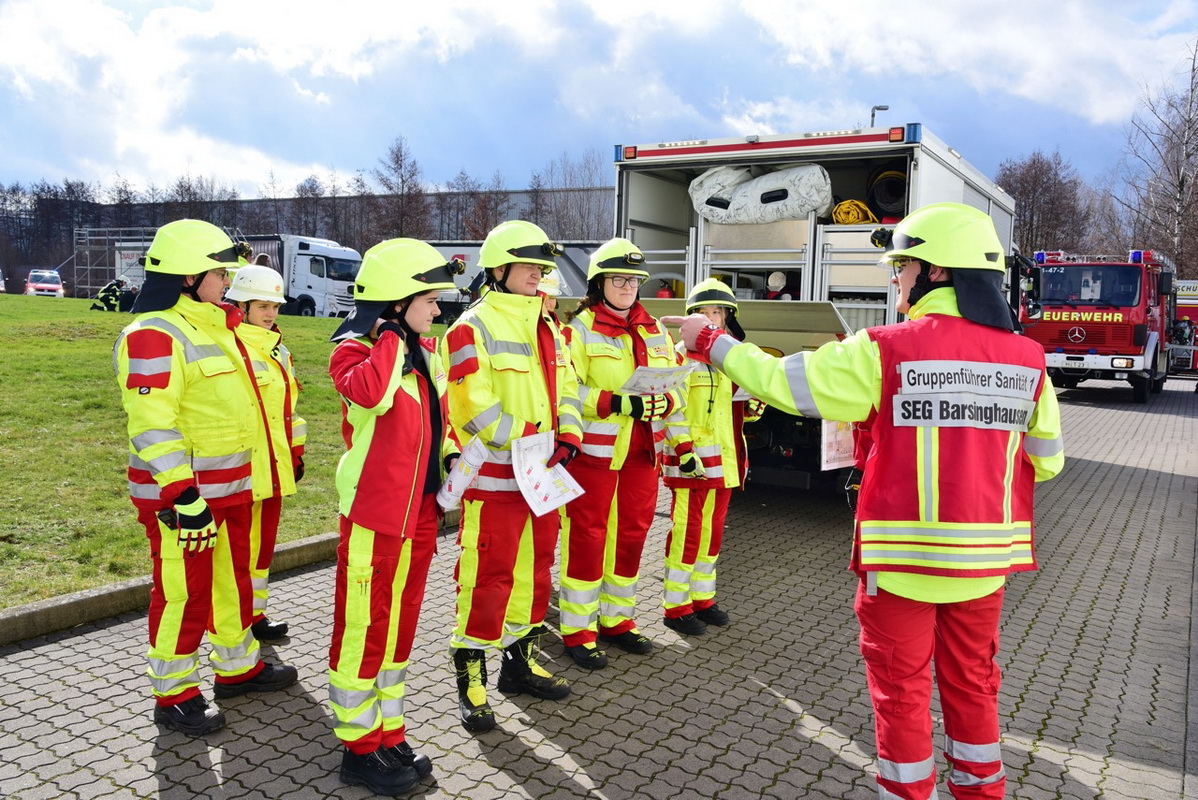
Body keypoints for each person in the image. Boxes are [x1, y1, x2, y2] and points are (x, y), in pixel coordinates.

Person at [664, 203, 1064, 800]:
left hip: (900, 565)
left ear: (936, 272)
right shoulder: (1028, 358)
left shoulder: (885, 348)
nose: (894, 278)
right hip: (984, 569)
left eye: (900, 266)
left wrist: (714, 342)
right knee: (975, 686)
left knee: (902, 692)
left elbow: (784, 385)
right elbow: (1048, 460)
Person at [113, 220, 297, 737]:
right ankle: (173, 694)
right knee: (183, 594)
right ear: (189, 276)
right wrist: (181, 492)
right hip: (185, 500)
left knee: (232, 584)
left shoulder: (220, 328)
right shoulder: (153, 334)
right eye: (219, 272)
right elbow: (152, 424)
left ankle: (237, 668)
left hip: (232, 489)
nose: (226, 281)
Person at [327, 238, 463, 794]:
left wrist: (451, 455)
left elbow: (440, 420)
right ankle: (358, 749)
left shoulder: (425, 352)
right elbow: (373, 397)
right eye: (428, 299)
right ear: (396, 300)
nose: (438, 310)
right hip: (375, 515)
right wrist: (387, 332)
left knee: (399, 627)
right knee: (364, 629)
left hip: (421, 514)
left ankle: (389, 731)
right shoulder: (355, 351)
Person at [440, 220, 583, 732]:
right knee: (487, 578)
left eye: (543, 268)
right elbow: (472, 410)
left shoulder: (547, 327)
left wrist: (568, 433)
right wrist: (534, 438)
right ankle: (470, 673)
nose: (538, 276)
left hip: (541, 478)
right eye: (529, 267)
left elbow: (569, 387)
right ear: (498, 269)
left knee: (536, 573)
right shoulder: (469, 328)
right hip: (496, 482)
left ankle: (517, 664)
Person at [558, 238, 684, 668]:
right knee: (588, 537)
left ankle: (618, 619)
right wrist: (617, 402)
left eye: (633, 279)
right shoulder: (579, 330)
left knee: (631, 536)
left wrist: (666, 402)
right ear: (599, 283)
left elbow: (677, 383)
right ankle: (577, 628)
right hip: (594, 454)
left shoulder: (656, 330)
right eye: (618, 279)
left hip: (642, 454)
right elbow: (567, 390)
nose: (627, 286)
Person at [660, 278, 763, 635]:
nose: (711, 318)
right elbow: (670, 411)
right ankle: (676, 606)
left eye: (717, 311)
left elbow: (732, 411)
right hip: (692, 464)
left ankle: (703, 599)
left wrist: (753, 406)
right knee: (688, 534)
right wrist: (685, 451)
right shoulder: (677, 355)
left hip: (725, 462)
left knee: (713, 535)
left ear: (727, 316)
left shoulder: (729, 356)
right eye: (703, 312)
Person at [223, 264, 306, 642]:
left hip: (274, 467)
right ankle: (236, 625)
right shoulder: (231, 347)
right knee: (239, 555)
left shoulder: (278, 349)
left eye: (275, 305)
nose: (271, 314)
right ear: (240, 305)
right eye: (262, 306)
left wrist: (295, 454)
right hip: (241, 470)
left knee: (261, 549)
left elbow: (287, 411)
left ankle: (255, 615)